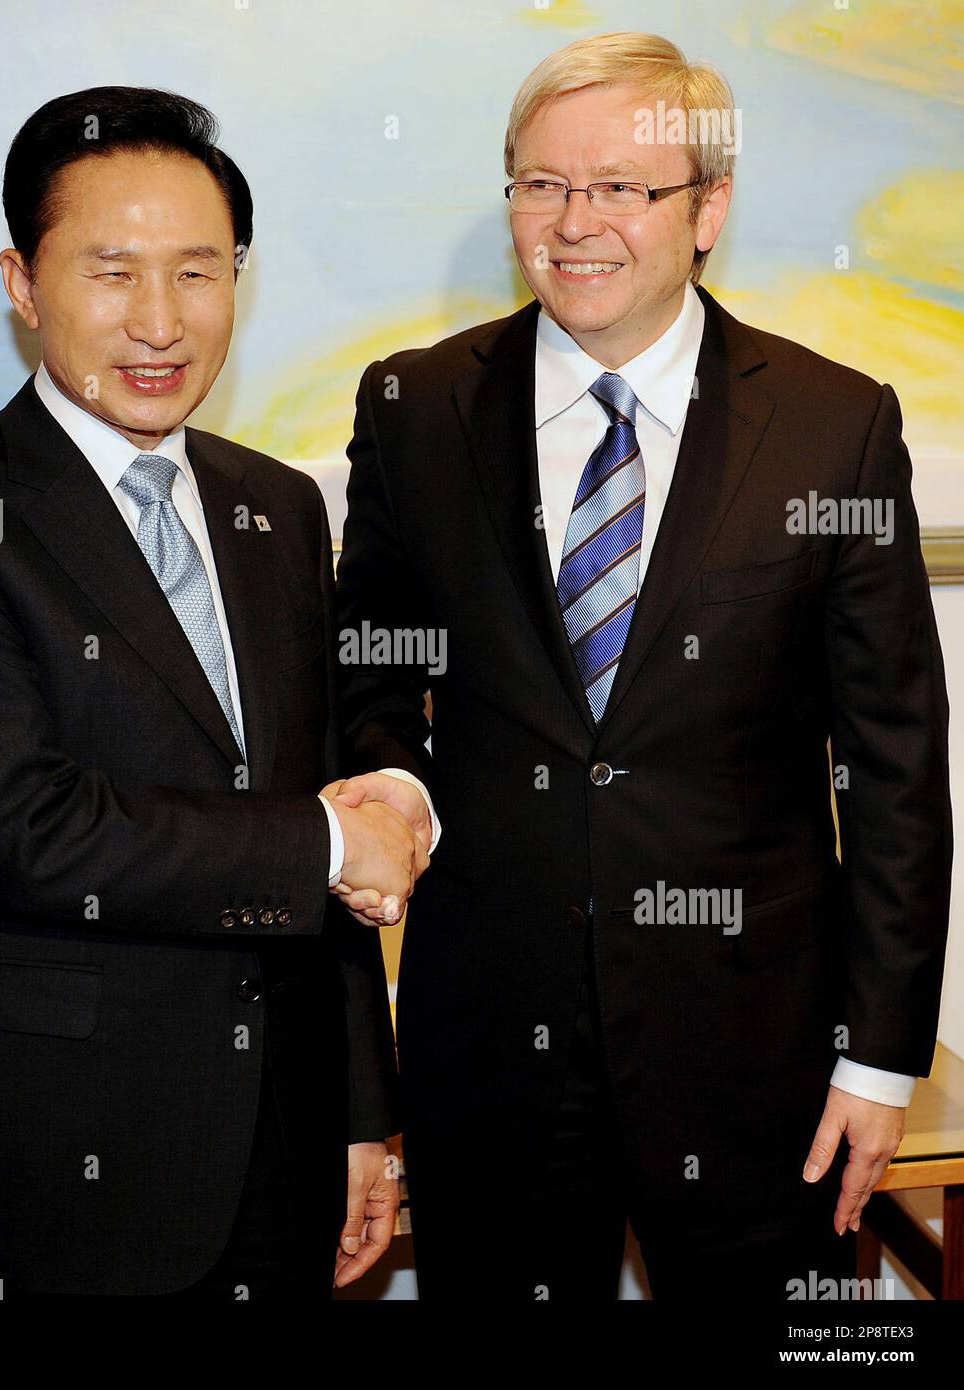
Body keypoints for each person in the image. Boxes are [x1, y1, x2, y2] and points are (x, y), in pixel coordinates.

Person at [332, 33, 952, 1300]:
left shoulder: (833, 428)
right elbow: (371, 665)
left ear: (707, 207)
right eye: (539, 185)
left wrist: (877, 1058)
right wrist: (391, 780)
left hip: (759, 1056)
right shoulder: (415, 408)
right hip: (490, 1045)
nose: (573, 223)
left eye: (620, 187)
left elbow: (894, 764)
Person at [0, 86, 433, 1299]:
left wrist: (362, 1113)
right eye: (111, 272)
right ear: (22, 280)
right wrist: (329, 835)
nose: (160, 321)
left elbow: (316, 822)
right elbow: (17, 827)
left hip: (282, 1149)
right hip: (48, 1163)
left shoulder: (275, 507)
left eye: (199, 272)